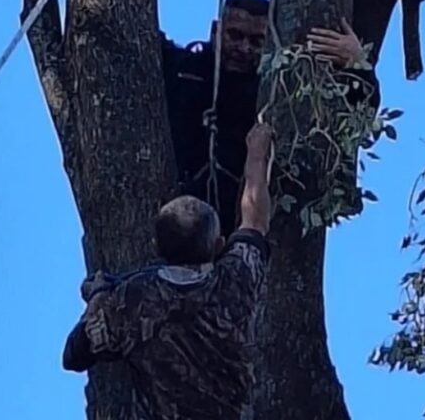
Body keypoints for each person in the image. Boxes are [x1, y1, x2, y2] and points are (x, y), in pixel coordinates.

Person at [63, 123, 275, 419]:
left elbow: (74, 354)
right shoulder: (236, 279)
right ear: (218, 246)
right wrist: (256, 154)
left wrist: (98, 296)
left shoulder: (133, 301)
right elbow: (255, 220)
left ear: (157, 245)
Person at [160, 0, 376, 237]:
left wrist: (359, 64)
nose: (244, 48)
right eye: (235, 35)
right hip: (170, 216)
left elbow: (358, 114)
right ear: (215, 31)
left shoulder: (277, 93)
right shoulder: (182, 69)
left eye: (256, 41)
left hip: (241, 230)